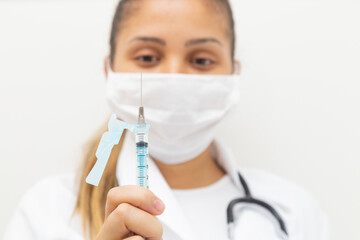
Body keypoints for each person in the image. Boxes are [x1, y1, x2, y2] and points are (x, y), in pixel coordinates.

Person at [4, 0, 329, 239]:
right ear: (110, 71)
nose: (174, 77)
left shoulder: (294, 211)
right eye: (147, 57)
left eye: (201, 59)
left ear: (233, 75)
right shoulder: (48, 212)